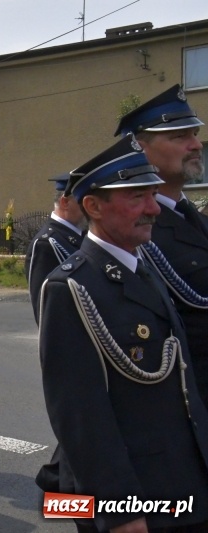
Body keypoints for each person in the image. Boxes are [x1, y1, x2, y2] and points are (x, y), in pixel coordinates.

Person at [39, 134, 208, 532]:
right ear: (94, 207)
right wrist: (119, 510)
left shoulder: (143, 267)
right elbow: (80, 414)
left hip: (184, 478)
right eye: (137, 197)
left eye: (152, 195)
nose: (153, 208)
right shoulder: (71, 287)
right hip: (139, 493)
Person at [115, 84, 208, 406]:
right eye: (180, 137)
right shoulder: (131, 234)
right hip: (183, 402)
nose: (196, 145)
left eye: (195, 134)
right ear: (140, 150)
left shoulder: (195, 219)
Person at [24, 173, 85, 324]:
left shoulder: (83, 236)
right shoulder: (46, 244)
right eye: (83, 201)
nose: (90, 207)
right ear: (65, 202)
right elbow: (45, 309)